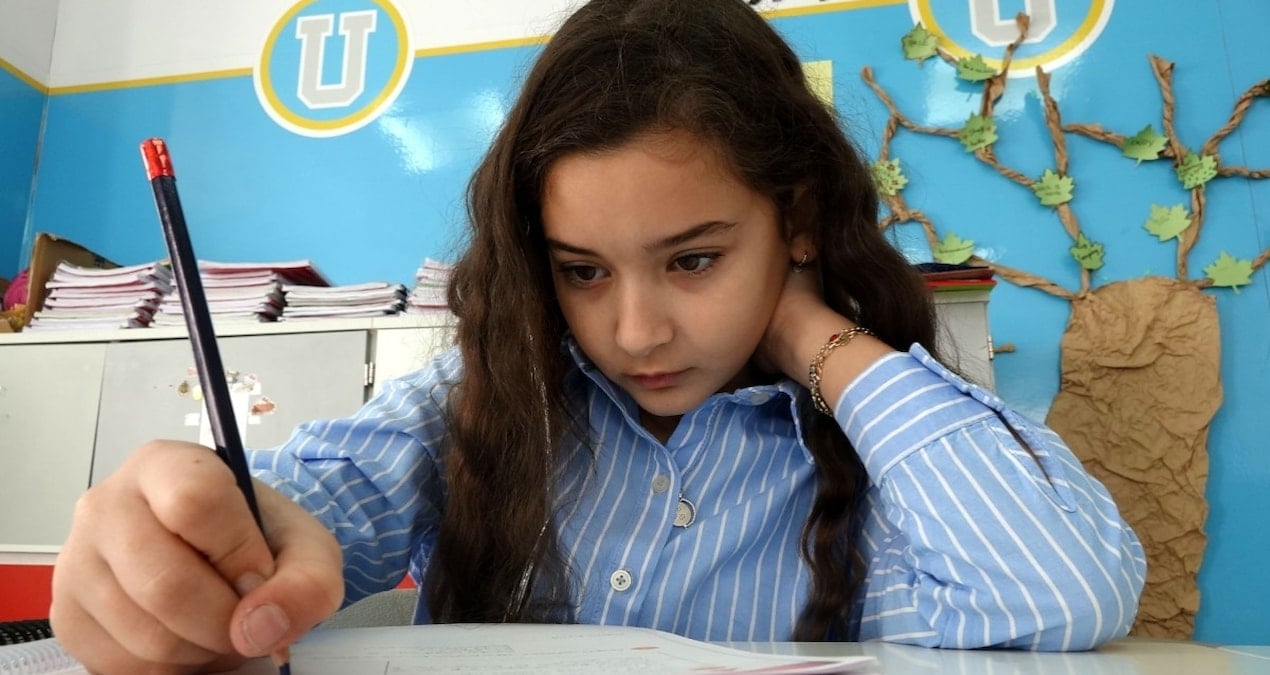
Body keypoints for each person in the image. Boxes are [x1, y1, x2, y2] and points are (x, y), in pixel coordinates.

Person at [50, 0, 1146, 671]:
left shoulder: (870, 458)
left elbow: (1056, 589)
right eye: (581, 271)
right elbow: (318, 498)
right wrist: (198, 540)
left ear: (800, 219)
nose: (635, 330)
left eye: (695, 260)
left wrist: (810, 332)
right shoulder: (483, 400)